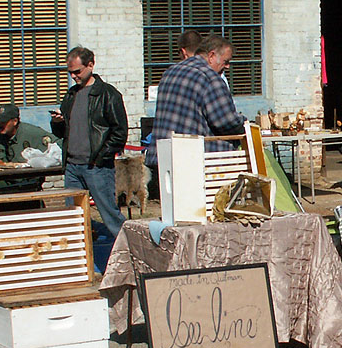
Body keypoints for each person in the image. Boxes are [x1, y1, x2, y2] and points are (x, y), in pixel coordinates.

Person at [51, 47, 128, 240]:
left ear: (91, 65)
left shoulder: (108, 94)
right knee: (73, 217)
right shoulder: (71, 95)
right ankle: (80, 260)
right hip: (72, 167)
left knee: (110, 216)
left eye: (77, 71)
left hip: (96, 167)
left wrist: (101, 157)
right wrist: (57, 122)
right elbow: (63, 133)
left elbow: (120, 132)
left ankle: (129, 254)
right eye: (70, 73)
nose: (74, 76)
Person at [146, 35, 246, 169]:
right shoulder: (210, 78)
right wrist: (245, 123)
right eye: (225, 61)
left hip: (163, 158)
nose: (227, 66)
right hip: (196, 163)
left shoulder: (170, 72)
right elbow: (226, 122)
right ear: (211, 56)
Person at [0, 104, 60, 189]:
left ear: (15, 121)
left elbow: (58, 145)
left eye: (4, 122)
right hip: (2, 184)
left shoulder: (32, 133)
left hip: (27, 184)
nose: (1, 124)